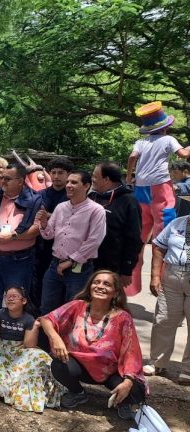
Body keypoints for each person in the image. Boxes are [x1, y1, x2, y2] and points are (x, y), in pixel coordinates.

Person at [41, 270, 146, 420]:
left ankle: (122, 402)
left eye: (107, 284)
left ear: (115, 293)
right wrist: (56, 338)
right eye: (96, 282)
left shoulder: (123, 318)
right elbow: (46, 320)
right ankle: (78, 393)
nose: (100, 286)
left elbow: (132, 352)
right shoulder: (78, 306)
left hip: (111, 371)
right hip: (81, 367)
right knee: (59, 365)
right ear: (90, 287)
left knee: (136, 390)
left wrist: (128, 381)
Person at [126, 101, 190, 295]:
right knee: (164, 237)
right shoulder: (168, 139)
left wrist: (129, 177)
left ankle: (130, 286)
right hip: (160, 189)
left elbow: (132, 157)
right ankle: (163, 284)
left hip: (140, 189)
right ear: (165, 127)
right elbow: (184, 154)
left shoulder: (141, 142)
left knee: (139, 236)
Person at [0, 163, 42, 314]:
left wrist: (13, 236)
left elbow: (37, 229)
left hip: (18, 260)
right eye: (2, 177)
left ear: (20, 181)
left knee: (16, 300)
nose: (2, 181)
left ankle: (13, 328)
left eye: (7, 179)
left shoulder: (34, 199)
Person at [37, 170, 106, 314]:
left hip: (80, 268)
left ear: (86, 186)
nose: (68, 185)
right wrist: (43, 223)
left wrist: (71, 261)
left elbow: (94, 240)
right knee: (47, 308)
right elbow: (49, 235)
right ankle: (46, 330)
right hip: (55, 264)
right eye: (68, 182)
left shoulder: (96, 210)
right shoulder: (61, 207)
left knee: (73, 311)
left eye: (74, 182)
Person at [143, 213, 190, 385]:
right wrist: (155, 275)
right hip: (172, 276)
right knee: (163, 320)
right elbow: (159, 247)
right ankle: (157, 363)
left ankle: (188, 369)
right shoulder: (177, 223)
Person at [90, 161, 142, 287]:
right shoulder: (91, 197)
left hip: (111, 268)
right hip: (86, 264)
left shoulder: (128, 201)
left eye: (95, 176)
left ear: (106, 179)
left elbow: (133, 238)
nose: (92, 179)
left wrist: (127, 269)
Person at [31, 157, 74, 308]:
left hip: (65, 251)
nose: (56, 176)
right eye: (53, 172)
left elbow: (72, 220)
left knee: (63, 291)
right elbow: (35, 217)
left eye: (61, 173)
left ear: (69, 174)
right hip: (41, 247)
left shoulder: (74, 196)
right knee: (38, 285)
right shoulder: (40, 194)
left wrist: (49, 216)